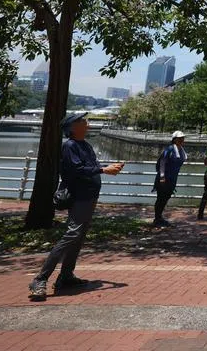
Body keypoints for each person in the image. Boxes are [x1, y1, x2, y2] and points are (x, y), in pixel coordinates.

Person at [29, 112, 124, 301]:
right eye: (82, 121)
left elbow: (90, 166)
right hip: (79, 197)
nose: (87, 123)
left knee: (78, 236)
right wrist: (103, 170)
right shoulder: (70, 146)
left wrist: (107, 166)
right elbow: (76, 170)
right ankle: (40, 279)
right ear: (73, 127)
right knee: (72, 234)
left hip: (89, 196)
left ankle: (66, 275)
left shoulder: (85, 145)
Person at [151, 130, 188, 226]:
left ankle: (159, 218)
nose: (181, 140)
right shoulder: (170, 149)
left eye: (182, 138)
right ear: (174, 139)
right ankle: (157, 219)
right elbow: (162, 162)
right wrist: (162, 177)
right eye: (179, 138)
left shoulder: (181, 150)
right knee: (161, 198)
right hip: (164, 179)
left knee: (166, 198)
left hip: (172, 179)